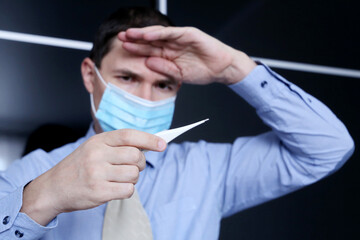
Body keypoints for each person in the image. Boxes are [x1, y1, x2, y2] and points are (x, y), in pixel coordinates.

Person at [0, 7, 354, 240]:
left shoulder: (211, 170)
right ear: (90, 76)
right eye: (126, 77)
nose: (145, 96)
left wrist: (235, 69)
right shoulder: (33, 173)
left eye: (163, 85)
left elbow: (329, 147)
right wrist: (43, 197)